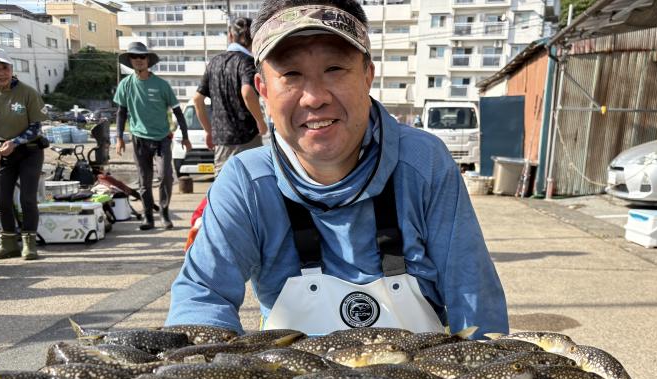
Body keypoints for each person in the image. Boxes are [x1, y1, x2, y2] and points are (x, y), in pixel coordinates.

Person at [165, 0, 508, 337]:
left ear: (367, 74)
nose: (315, 97)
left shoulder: (424, 162)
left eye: (335, 69)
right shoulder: (245, 181)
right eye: (291, 74)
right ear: (263, 90)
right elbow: (202, 298)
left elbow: (472, 294)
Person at [0, 47, 46, 260]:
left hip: (30, 150)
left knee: (27, 198)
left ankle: (29, 243)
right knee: (1, 200)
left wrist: (14, 142)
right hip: (3, 151)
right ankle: (8, 244)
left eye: (5, 67)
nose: (1, 72)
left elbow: (36, 127)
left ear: (12, 68)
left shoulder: (27, 92)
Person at [114, 42, 191, 230]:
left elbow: (178, 111)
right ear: (130, 60)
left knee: (165, 175)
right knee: (144, 179)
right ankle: (148, 216)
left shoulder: (161, 85)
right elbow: (121, 112)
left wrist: (185, 136)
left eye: (142, 57)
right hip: (139, 138)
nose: (138, 60)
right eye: (134, 57)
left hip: (162, 139)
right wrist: (119, 138)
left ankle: (164, 212)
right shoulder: (125, 85)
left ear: (148, 60)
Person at [193, 16, 268, 175]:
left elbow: (197, 99)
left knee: (224, 189)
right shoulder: (247, 62)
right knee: (253, 183)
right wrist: (260, 121)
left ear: (230, 35)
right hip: (247, 137)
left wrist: (209, 131)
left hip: (222, 140)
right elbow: (247, 92)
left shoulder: (214, 62)